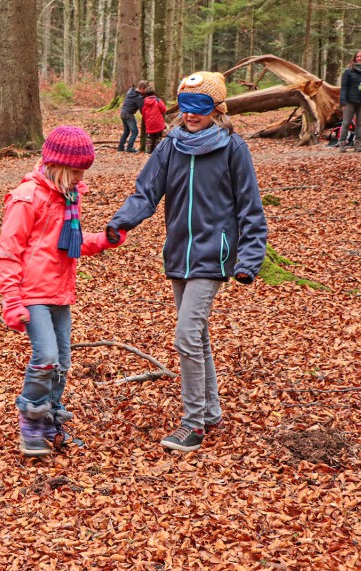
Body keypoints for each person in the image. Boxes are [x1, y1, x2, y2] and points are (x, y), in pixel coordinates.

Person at [105, 72, 267, 453]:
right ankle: (211, 412)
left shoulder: (232, 148)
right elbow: (146, 193)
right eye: (187, 106)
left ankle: (192, 424)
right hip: (179, 254)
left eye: (202, 107)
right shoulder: (169, 146)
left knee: (186, 338)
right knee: (198, 337)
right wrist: (120, 222)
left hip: (214, 255)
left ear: (217, 109)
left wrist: (249, 258)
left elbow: (250, 209)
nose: (192, 115)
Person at [0, 126, 127, 456]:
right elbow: (8, 251)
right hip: (32, 293)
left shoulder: (68, 198)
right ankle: (32, 422)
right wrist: (11, 300)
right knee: (46, 357)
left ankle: (50, 422)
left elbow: (71, 244)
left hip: (60, 292)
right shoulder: (28, 197)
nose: (80, 178)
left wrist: (103, 241)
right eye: (76, 171)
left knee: (63, 362)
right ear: (58, 165)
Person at [118, 80, 149, 153]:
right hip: (128, 114)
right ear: (142, 88)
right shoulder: (138, 98)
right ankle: (129, 148)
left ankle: (120, 147)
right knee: (135, 131)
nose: (146, 92)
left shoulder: (131, 91)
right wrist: (146, 118)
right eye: (145, 90)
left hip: (123, 112)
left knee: (126, 131)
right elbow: (142, 110)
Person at [139, 85, 167, 154]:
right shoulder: (158, 100)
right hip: (158, 122)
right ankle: (157, 151)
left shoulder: (144, 102)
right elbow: (164, 109)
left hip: (149, 123)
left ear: (146, 94)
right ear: (154, 93)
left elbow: (143, 113)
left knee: (149, 137)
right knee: (158, 137)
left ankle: (147, 151)